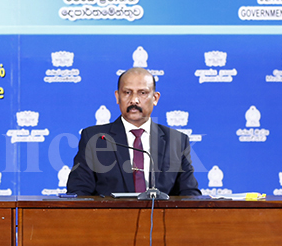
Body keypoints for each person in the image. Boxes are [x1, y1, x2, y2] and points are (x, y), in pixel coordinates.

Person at [66, 67, 200, 196]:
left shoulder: (176, 140)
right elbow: (78, 192)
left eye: (142, 93)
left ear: (155, 98)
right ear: (117, 97)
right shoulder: (96, 138)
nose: (134, 100)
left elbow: (189, 194)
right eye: (127, 92)